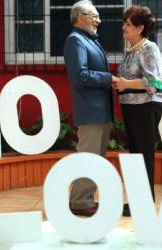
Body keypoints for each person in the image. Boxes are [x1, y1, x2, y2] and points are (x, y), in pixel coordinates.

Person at [64, 0, 116, 216]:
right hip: (91, 111)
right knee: (88, 157)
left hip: (100, 111)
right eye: (94, 16)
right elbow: (80, 76)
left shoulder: (88, 39)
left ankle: (85, 200)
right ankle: (79, 202)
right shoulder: (75, 40)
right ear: (80, 17)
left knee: (95, 158)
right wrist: (109, 78)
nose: (99, 20)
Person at [113, 5, 162, 216]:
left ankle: (145, 202)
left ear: (140, 28)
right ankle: (137, 201)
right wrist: (119, 84)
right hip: (131, 107)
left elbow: (155, 83)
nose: (123, 27)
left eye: (128, 24)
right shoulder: (129, 51)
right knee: (135, 155)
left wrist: (126, 83)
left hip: (146, 107)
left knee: (144, 155)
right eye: (124, 23)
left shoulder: (149, 48)